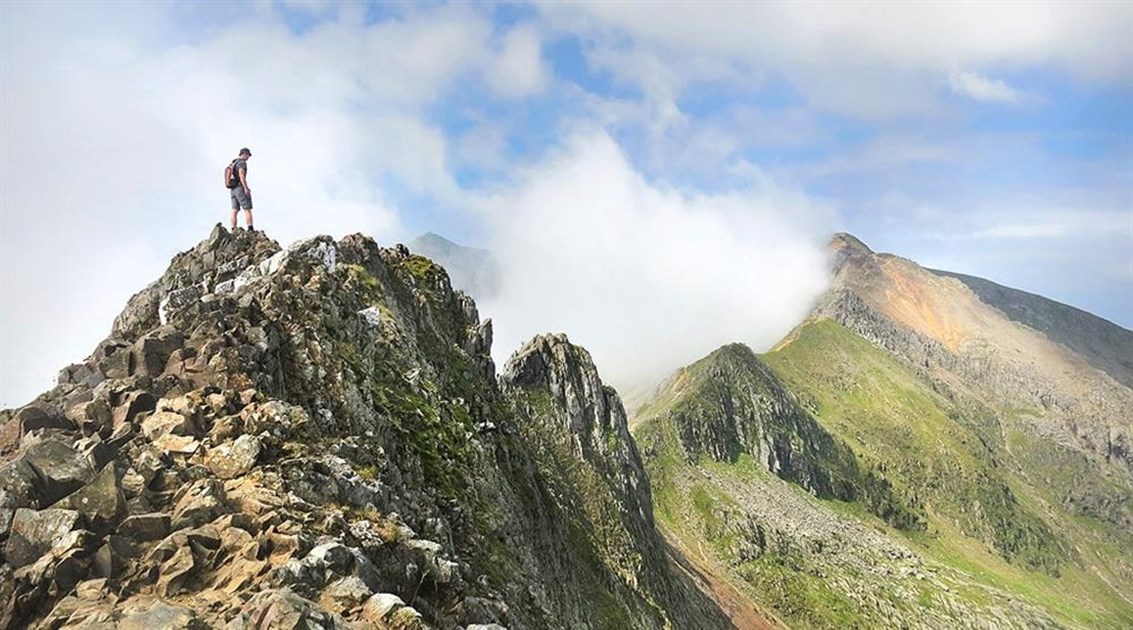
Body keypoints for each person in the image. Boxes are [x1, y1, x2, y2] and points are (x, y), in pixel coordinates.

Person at [228, 148, 254, 232]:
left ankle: (233, 229)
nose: (248, 157)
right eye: (248, 155)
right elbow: (241, 175)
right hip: (239, 187)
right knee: (247, 208)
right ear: (244, 154)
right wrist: (246, 188)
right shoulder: (242, 163)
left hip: (232, 189)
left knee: (234, 209)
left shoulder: (233, 163)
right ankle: (250, 228)